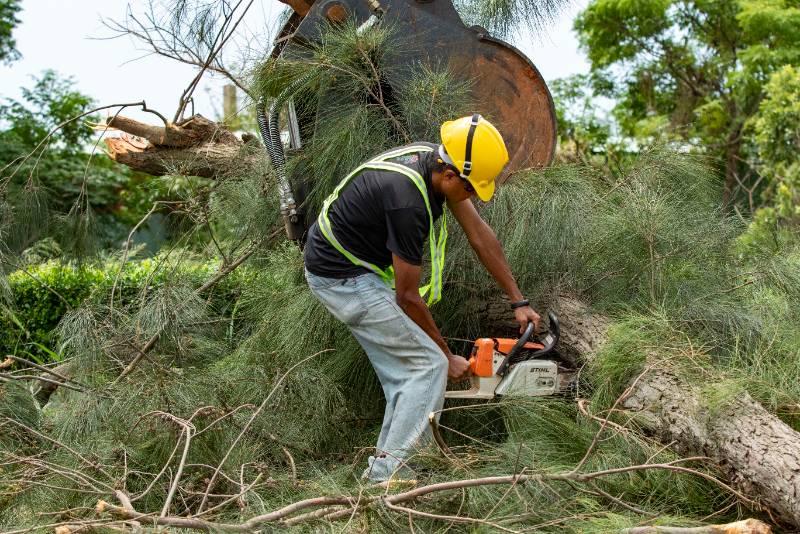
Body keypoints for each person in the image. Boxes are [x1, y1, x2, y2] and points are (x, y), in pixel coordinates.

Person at [303, 114, 540, 483]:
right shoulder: (407, 202)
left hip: (354, 267)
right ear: (450, 175)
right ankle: (392, 480)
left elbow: (479, 234)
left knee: (408, 373)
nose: (475, 196)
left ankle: (383, 472)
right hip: (341, 277)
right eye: (473, 189)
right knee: (426, 367)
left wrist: (518, 301)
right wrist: (446, 356)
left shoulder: (438, 163)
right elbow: (407, 296)